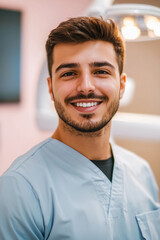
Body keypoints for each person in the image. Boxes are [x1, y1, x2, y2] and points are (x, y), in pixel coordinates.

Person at [0, 17, 159, 240]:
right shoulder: (20, 189)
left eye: (101, 71)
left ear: (121, 86)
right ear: (51, 88)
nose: (85, 86)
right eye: (68, 73)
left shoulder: (142, 173)